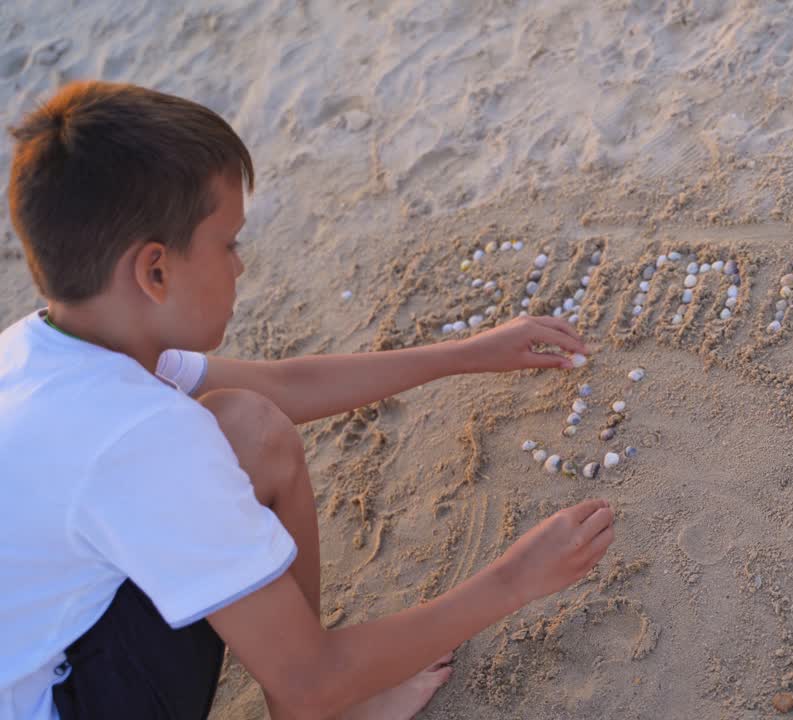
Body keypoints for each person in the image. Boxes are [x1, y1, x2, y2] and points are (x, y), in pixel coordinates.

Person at [0, 80, 615, 720]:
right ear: (155, 272)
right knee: (306, 670)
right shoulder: (141, 436)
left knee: (250, 429)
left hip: (49, 659)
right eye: (228, 243)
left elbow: (285, 388)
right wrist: (517, 577)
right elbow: (312, 676)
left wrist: (467, 354)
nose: (239, 266)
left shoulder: (50, 345)